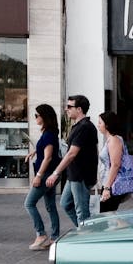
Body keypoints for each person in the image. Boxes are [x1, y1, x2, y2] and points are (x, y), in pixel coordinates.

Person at [46, 95, 98, 227]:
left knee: (82, 211)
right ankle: (83, 231)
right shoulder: (78, 126)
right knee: (66, 203)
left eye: (69, 107)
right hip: (74, 174)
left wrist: (56, 173)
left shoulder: (84, 127)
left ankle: (87, 238)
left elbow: (71, 154)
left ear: (79, 109)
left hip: (80, 175)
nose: (66, 109)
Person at [24, 104, 61, 250]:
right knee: (50, 206)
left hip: (45, 174)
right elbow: (45, 151)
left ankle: (41, 234)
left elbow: (48, 157)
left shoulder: (49, 134)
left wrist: (38, 176)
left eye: (37, 115)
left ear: (44, 117)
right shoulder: (48, 133)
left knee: (29, 203)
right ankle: (55, 237)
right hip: (49, 173)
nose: (35, 118)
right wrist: (34, 153)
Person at [97, 111, 130, 213]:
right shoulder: (112, 139)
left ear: (107, 125)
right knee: (109, 215)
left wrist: (107, 188)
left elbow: (115, 165)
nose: (98, 125)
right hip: (110, 183)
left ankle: (126, 227)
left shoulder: (114, 140)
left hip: (112, 184)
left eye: (100, 123)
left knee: (106, 215)